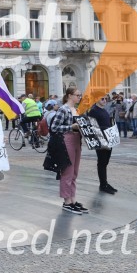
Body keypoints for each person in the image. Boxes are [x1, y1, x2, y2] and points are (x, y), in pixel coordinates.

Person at [52, 86, 88, 215]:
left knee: (74, 172)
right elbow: (55, 127)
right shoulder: (63, 109)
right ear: (69, 96)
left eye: (80, 95)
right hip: (67, 140)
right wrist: (71, 126)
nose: (79, 97)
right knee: (67, 172)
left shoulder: (76, 110)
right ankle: (67, 201)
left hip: (77, 140)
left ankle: (73, 200)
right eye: (77, 95)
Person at [87, 95, 117, 194]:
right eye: (102, 99)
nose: (105, 101)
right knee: (102, 162)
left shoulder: (103, 110)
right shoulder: (94, 110)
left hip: (108, 137)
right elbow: (93, 126)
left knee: (105, 162)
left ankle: (105, 183)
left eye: (105, 99)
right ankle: (103, 184)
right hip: (101, 139)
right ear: (96, 99)